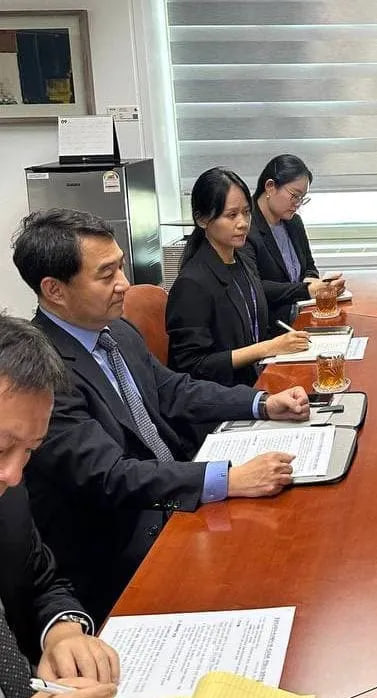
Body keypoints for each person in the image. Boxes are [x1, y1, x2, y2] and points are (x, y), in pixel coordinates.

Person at [12, 208, 311, 624]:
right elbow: (111, 476)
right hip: (125, 542)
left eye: (120, 267)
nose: (124, 283)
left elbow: (173, 390)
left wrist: (260, 403)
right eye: (107, 275)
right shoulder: (41, 374)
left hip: (174, 493)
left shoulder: (116, 330)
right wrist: (228, 479)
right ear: (54, 290)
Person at [0, 316, 119, 698]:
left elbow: (41, 579)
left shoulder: (9, 493)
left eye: (29, 450)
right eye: (1, 449)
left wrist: (63, 632)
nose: (14, 474)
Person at [166, 167, 311, 386]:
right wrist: (267, 348)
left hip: (257, 379)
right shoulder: (191, 284)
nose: (243, 223)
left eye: (246, 212)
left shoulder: (242, 262)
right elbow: (193, 366)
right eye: (231, 215)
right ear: (202, 219)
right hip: (222, 394)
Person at [245, 154, 346, 332]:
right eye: (294, 196)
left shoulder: (294, 222)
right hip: (272, 327)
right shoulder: (245, 228)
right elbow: (255, 287)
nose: (298, 204)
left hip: (303, 315)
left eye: (302, 198)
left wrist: (317, 283)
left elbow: (309, 266)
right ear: (270, 187)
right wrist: (307, 290)